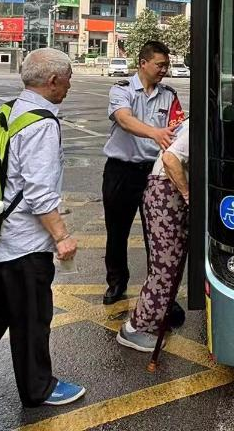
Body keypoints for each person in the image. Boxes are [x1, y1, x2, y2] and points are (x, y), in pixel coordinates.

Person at [0, 48, 85, 409]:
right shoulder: (41, 123)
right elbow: (40, 193)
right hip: (25, 245)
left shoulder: (8, 111)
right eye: (68, 77)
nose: (70, 85)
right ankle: (37, 389)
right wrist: (61, 236)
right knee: (33, 320)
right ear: (53, 80)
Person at [101, 40, 180, 306]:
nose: (164, 70)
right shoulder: (121, 90)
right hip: (121, 172)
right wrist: (155, 133)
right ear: (143, 63)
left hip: (155, 173)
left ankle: (158, 290)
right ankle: (116, 282)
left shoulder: (169, 95)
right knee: (117, 231)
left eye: (166, 65)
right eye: (160, 65)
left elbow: (176, 129)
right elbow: (123, 119)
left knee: (158, 234)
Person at [117, 119, 190, 352]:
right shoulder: (197, 124)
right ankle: (136, 328)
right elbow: (170, 159)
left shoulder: (194, 120)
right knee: (165, 266)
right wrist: (188, 194)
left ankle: (155, 319)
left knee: (171, 265)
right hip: (166, 195)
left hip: (166, 194)